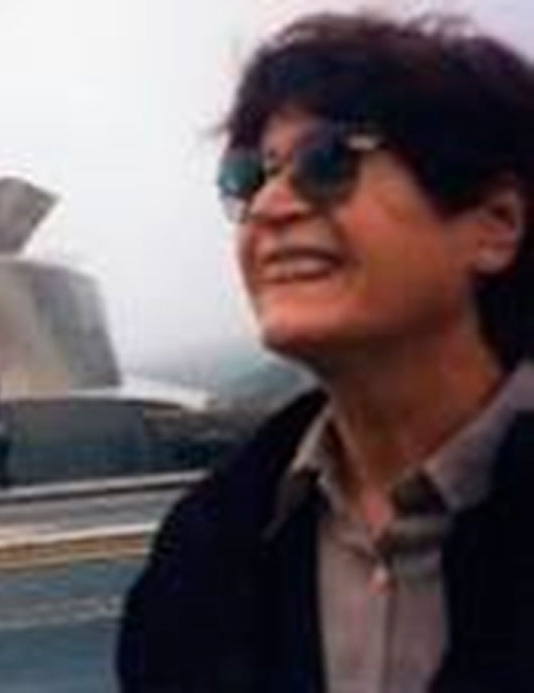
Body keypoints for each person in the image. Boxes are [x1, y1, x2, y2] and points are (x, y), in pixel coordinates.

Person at [118, 12, 534, 691]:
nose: (270, 206)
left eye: (328, 160)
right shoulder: (201, 559)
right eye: (249, 176)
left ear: (496, 223)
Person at [0, 416, 14, 489]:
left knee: (2, 463)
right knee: (2, 463)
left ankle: (4, 480)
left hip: (3, 445)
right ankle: (3, 480)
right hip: (2, 445)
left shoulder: (1, 425)